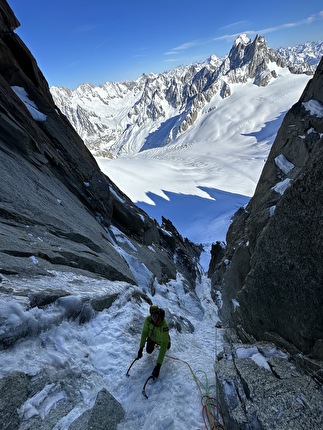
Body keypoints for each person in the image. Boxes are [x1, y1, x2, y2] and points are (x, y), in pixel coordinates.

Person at [137, 304, 171, 378]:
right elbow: (144, 333)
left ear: (159, 314)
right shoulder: (148, 320)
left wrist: (158, 365)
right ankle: (153, 343)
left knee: (167, 347)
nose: (154, 318)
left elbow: (164, 346)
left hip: (162, 340)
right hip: (152, 338)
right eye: (152, 316)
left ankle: (168, 337)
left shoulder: (164, 325)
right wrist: (141, 348)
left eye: (155, 316)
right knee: (148, 351)